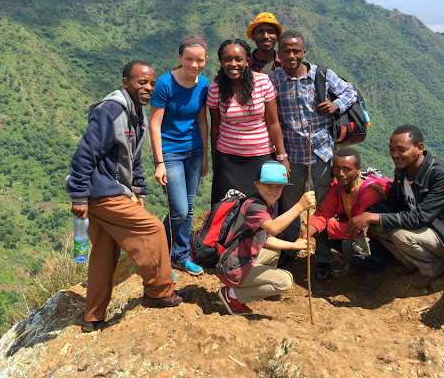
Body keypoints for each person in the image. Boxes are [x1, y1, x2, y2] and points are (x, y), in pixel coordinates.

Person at [67, 60, 191, 333]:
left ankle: (93, 317)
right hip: (103, 193)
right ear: (126, 83)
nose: (148, 87)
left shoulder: (137, 112)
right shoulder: (111, 111)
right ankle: (159, 291)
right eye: (141, 82)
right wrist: (78, 195)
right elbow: (85, 153)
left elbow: (133, 157)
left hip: (110, 192)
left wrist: (139, 189)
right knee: (153, 228)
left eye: (151, 83)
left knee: (104, 254)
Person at [348, 125, 444, 288]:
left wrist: (373, 217)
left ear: (420, 148)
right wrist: (368, 215)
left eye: (401, 150)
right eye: (392, 150)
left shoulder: (440, 175)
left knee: (401, 235)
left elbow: (420, 217)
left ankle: (433, 267)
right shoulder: (402, 172)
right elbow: (394, 203)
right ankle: (413, 262)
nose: (395, 155)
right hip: (427, 229)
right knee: (375, 226)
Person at [269, 30, 357, 270]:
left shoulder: (322, 75)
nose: (291, 55)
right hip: (292, 156)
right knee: (291, 206)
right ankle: (290, 250)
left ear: (304, 52)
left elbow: (351, 91)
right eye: (286, 50)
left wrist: (335, 104)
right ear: (279, 53)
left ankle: (323, 257)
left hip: (323, 154)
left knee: (324, 207)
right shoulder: (273, 79)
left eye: (296, 50)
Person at [217, 161, 316, 315]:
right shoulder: (255, 207)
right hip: (233, 268)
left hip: (235, 260)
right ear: (257, 184)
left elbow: (266, 239)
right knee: (285, 282)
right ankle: (232, 295)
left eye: (278, 187)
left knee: (274, 253)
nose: (273, 191)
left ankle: (249, 285)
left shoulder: (262, 203)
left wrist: (294, 245)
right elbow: (274, 228)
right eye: (268, 185)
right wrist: (300, 206)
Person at [149, 36, 210, 276]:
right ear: (179, 58)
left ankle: (180, 255)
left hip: (194, 151)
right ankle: (160, 256)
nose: (194, 65)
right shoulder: (165, 84)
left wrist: (205, 155)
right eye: (189, 59)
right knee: (180, 210)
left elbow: (202, 120)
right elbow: (155, 124)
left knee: (190, 207)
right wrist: (159, 162)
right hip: (170, 152)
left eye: (199, 60)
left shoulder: (203, 84)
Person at [207, 39, 290, 205]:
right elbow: (215, 127)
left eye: (238, 59)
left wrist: (282, 157)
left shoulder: (262, 82)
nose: (233, 64)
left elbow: (273, 123)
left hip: (262, 157)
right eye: (227, 59)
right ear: (221, 62)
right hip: (229, 159)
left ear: (247, 60)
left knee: (262, 206)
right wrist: (215, 160)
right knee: (229, 208)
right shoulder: (215, 89)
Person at [302, 147, 394, 291]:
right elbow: (324, 212)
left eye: (347, 169)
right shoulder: (338, 187)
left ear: (358, 170)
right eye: (336, 168)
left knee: (347, 245)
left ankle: (375, 269)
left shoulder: (370, 192)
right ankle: (356, 263)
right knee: (320, 230)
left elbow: (359, 231)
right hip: (353, 235)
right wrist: (306, 234)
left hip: (377, 243)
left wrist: (330, 225)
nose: (340, 174)